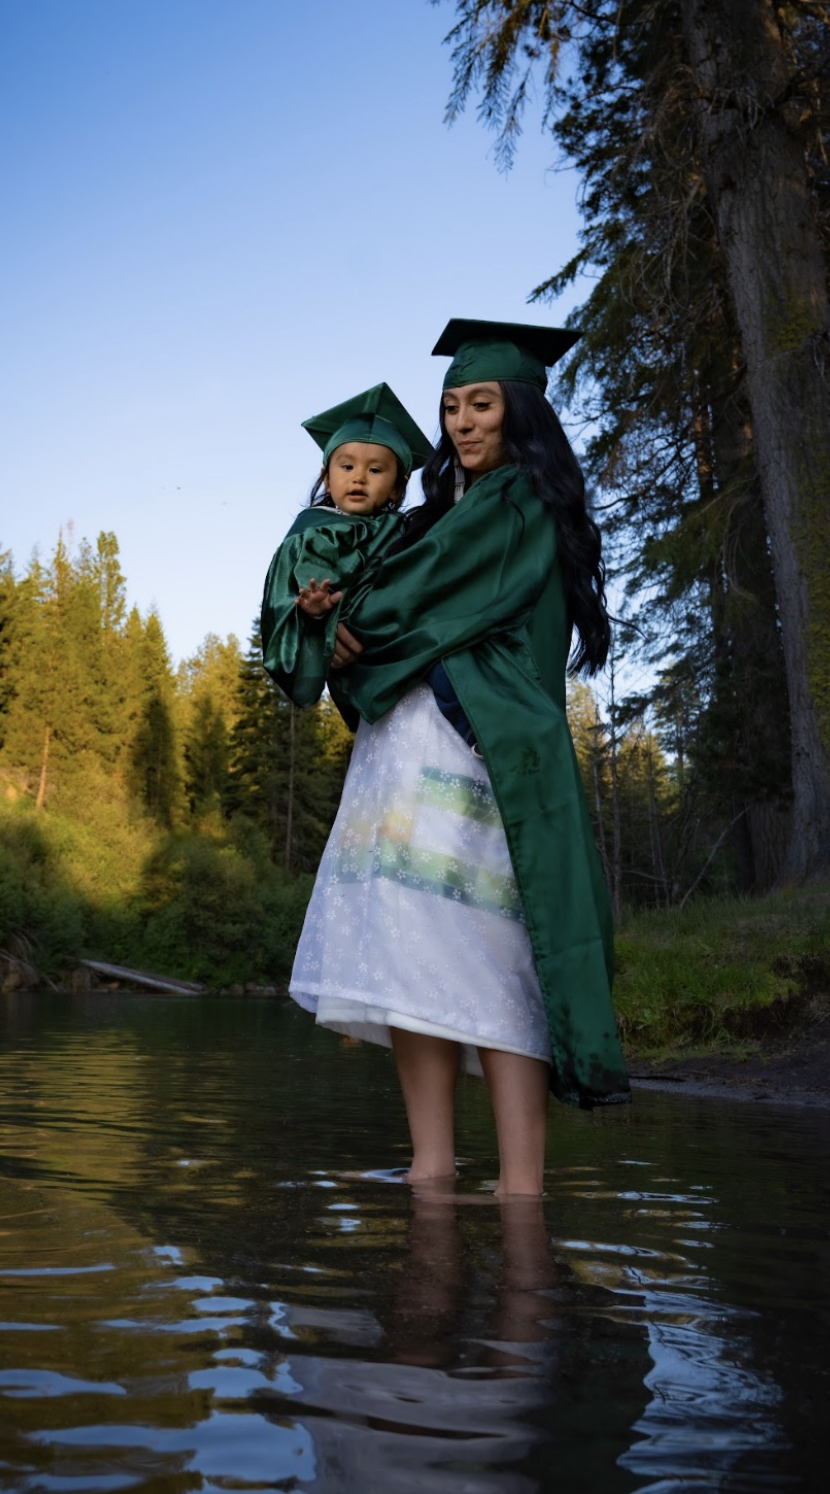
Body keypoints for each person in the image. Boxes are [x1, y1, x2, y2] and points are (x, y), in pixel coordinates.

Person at [289, 320, 631, 1197]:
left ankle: (522, 1187)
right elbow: (381, 610)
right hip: (403, 758)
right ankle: (432, 1168)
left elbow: (415, 597)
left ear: (520, 412)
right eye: (451, 409)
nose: (462, 424)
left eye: (480, 404)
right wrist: (330, 629)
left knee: (489, 954)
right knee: (413, 955)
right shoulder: (452, 510)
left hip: (474, 759)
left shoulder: (516, 506)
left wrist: (345, 620)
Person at [261, 382, 432, 707]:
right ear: (327, 478)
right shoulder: (308, 535)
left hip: (413, 667)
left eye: (376, 469)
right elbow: (281, 607)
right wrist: (314, 614)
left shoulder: (404, 531)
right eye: (347, 466)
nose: (359, 477)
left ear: (397, 488)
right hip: (362, 677)